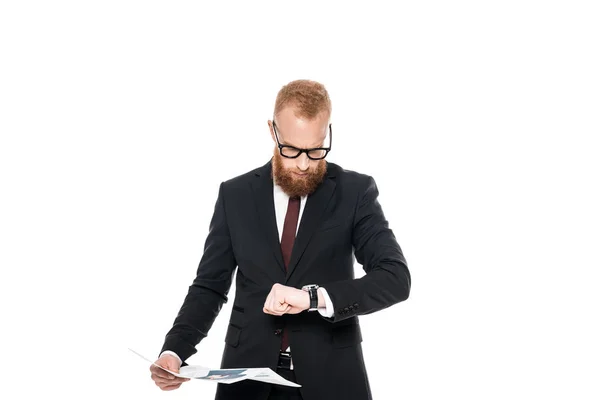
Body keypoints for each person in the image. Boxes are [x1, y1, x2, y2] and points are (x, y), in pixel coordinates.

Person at [149, 79, 411, 400]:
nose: (303, 164)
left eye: (315, 150)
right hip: (247, 382)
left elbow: (395, 278)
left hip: (332, 379)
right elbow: (209, 286)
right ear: (273, 131)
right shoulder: (235, 195)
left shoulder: (354, 192)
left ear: (327, 132)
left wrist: (313, 298)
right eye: (291, 149)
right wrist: (175, 351)